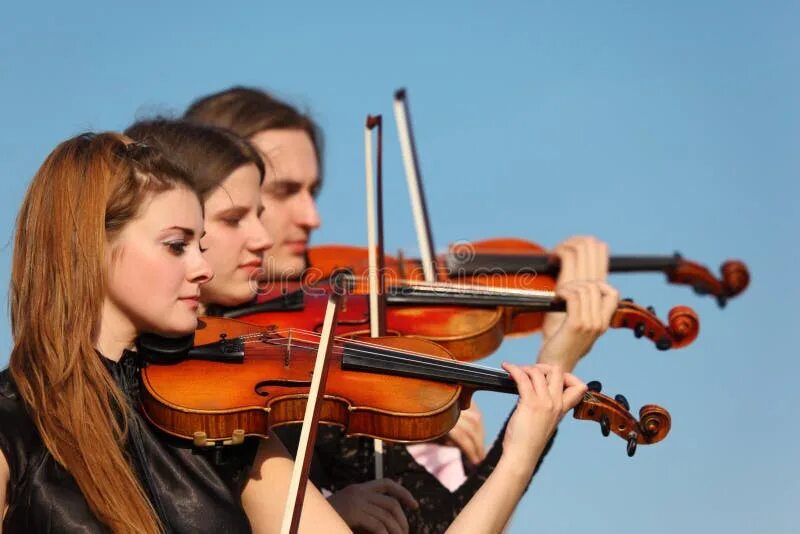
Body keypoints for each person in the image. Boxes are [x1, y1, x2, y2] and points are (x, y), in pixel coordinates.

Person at [185, 87, 618, 533]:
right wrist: (553, 365)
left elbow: (434, 522)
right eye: (281, 192)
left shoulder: (313, 364)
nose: (312, 216)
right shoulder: (230, 374)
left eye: (312, 190)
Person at [0, 132, 350, 532]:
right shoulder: (12, 421)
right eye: (175, 245)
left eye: (199, 245)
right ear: (91, 246)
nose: (203, 269)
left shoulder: (218, 416)